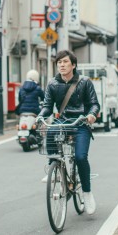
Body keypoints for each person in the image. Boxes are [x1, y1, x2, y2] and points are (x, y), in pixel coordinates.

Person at [38, 50, 100, 215]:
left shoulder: (85, 82)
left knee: (80, 157)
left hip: (81, 123)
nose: (62, 65)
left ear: (73, 65)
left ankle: (86, 193)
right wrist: (40, 116)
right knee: (50, 133)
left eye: (65, 62)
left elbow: (94, 103)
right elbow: (47, 106)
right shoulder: (52, 84)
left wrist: (92, 115)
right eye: (59, 62)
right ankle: (54, 166)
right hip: (63, 121)